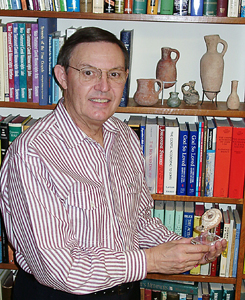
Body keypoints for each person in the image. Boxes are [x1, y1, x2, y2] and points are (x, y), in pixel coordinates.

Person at [0, 27, 226, 300]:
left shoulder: (125, 136)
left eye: (114, 74)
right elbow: (57, 268)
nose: (103, 86)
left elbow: (137, 222)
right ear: (63, 77)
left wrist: (183, 246)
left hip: (125, 289)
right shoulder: (31, 153)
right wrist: (151, 261)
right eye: (88, 72)